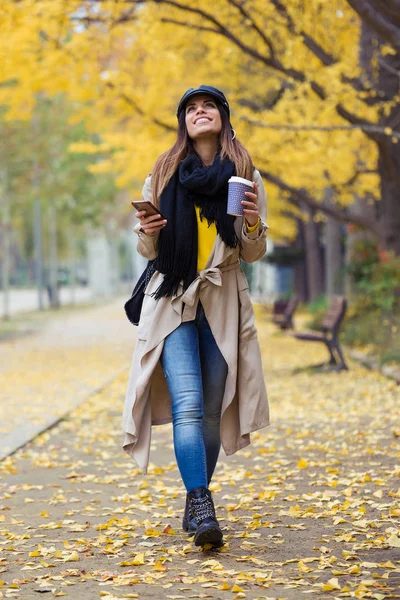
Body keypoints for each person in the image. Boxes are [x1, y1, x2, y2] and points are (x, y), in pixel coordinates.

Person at [123, 85, 270, 548]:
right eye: (190, 107)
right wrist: (147, 231)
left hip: (223, 298)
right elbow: (147, 250)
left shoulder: (244, 175)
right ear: (183, 122)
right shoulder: (163, 174)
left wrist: (250, 223)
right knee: (187, 403)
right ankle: (201, 501)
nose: (199, 112)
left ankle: (196, 503)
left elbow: (253, 250)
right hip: (172, 299)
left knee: (210, 410)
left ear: (224, 117)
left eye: (208, 106)